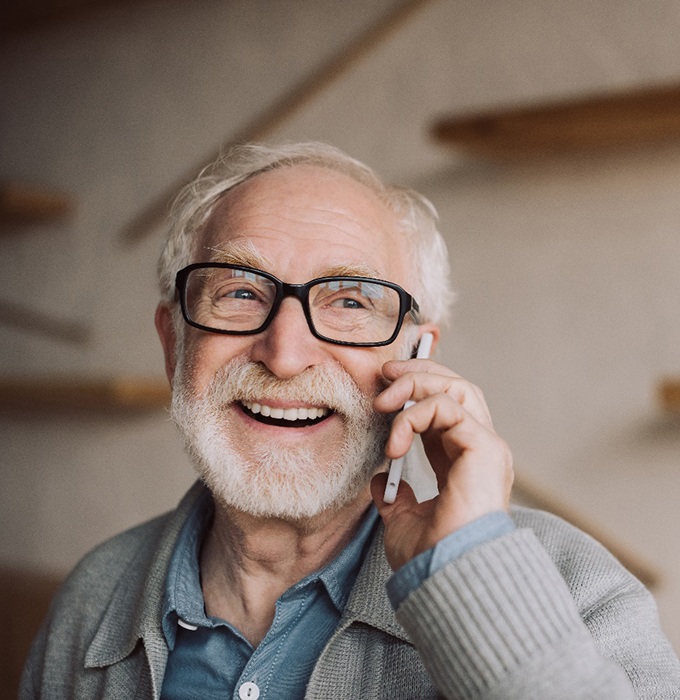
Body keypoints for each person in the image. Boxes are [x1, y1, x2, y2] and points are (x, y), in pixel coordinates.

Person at [21, 142, 680, 699]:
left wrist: (472, 579)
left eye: (348, 302)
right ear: (174, 346)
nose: (284, 355)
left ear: (418, 358)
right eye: (241, 293)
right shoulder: (92, 599)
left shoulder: (578, 588)